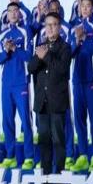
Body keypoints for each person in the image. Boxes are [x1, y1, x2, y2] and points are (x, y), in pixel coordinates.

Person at [28, 12, 72, 175]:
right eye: (48, 25)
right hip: (42, 102)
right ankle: (45, 175)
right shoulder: (40, 46)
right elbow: (31, 68)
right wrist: (39, 57)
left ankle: (59, 175)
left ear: (59, 27)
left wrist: (45, 56)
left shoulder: (65, 47)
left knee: (58, 140)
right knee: (44, 140)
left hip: (57, 101)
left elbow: (61, 70)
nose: (51, 28)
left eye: (54, 24)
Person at [0, 2, 34, 170]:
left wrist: (15, 49)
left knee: (25, 120)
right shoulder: (2, 34)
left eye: (15, 11)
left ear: (19, 14)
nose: (12, 13)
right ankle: (10, 156)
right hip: (6, 84)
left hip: (21, 82)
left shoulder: (25, 31)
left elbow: (29, 56)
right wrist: (6, 51)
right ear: (7, 14)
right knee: (7, 121)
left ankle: (29, 157)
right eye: (10, 11)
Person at [69, 0, 93, 172]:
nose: (85, 9)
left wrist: (84, 39)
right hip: (77, 79)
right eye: (83, 6)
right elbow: (69, 52)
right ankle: (83, 155)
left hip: (91, 80)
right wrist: (77, 40)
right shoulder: (74, 27)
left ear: (92, 8)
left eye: (88, 6)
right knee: (79, 119)